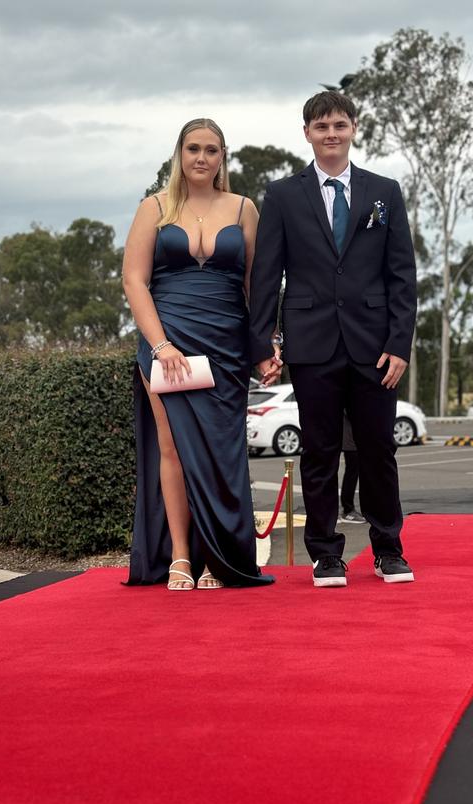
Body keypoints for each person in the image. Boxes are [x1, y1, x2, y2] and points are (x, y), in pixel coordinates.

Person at [250, 91, 417, 588]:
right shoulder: (282, 195)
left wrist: (400, 344)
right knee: (319, 451)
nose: (331, 134)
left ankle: (389, 549)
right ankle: (326, 555)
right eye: (321, 126)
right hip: (311, 343)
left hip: (374, 347)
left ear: (354, 129)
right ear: (307, 133)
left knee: (377, 451)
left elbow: (402, 276)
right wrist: (263, 344)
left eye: (339, 125)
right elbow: (267, 274)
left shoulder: (384, 192)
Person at [121, 118, 274, 590]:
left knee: (224, 453)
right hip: (168, 342)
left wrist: (265, 346)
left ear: (222, 156)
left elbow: (257, 286)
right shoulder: (155, 207)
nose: (202, 158)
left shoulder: (244, 208)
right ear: (179, 154)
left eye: (211, 149)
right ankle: (181, 558)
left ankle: (218, 559)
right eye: (193, 149)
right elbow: (133, 280)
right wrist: (162, 344)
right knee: (173, 448)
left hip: (226, 346)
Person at [339, 413, 365, 524]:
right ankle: (348, 509)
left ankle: (349, 508)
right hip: (350, 435)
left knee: (355, 471)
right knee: (352, 471)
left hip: (353, 434)